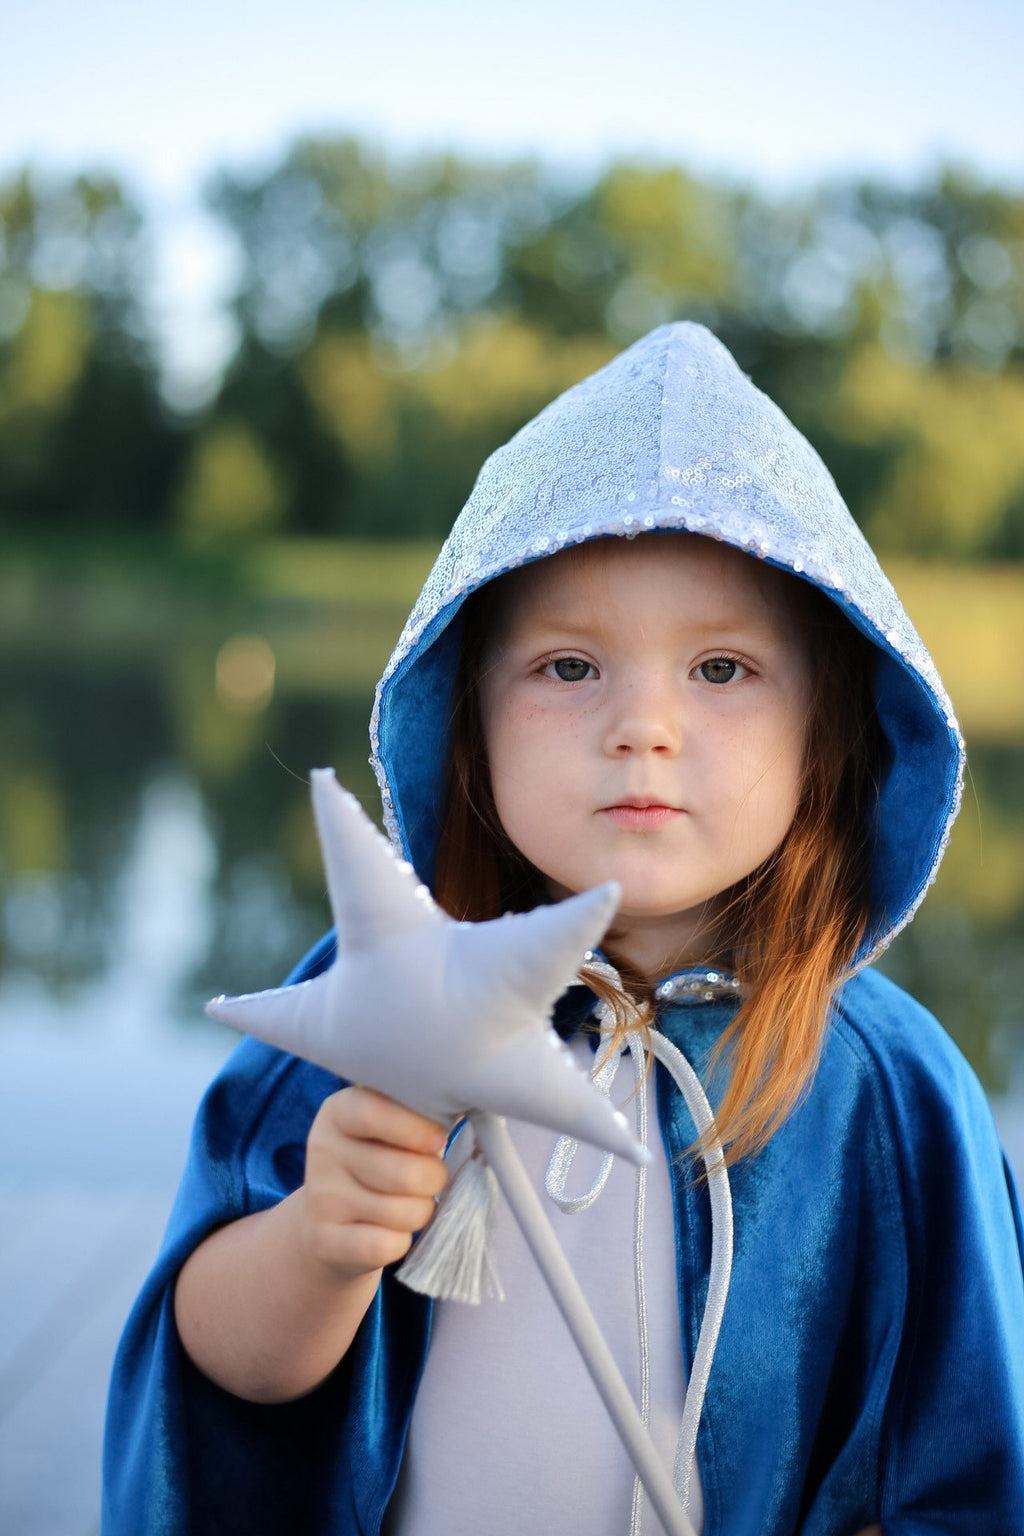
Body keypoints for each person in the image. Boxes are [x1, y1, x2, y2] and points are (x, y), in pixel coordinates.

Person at [103, 323, 1024, 1536]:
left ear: (831, 733)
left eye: (722, 670)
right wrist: (320, 1243)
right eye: (570, 667)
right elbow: (213, 1377)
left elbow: (966, 1471)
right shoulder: (376, 1005)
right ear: (467, 719)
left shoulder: (890, 1093)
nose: (642, 725)